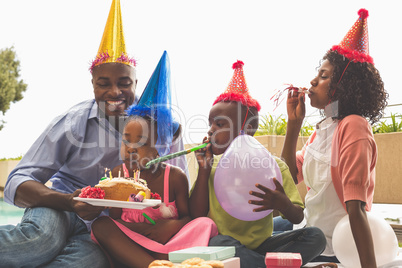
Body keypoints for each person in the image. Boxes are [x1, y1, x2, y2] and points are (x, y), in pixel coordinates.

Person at [0, 1, 187, 267]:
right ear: (92, 85)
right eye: (104, 84)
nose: (114, 92)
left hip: (103, 229)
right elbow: (17, 182)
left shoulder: (160, 130)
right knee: (39, 242)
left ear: (136, 83)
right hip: (60, 209)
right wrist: (69, 201)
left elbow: (178, 195)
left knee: (86, 263)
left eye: (124, 83)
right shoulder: (73, 122)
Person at [189, 60, 326, 268]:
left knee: (316, 236)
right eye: (210, 124)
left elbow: (297, 216)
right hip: (226, 246)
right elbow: (196, 215)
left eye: (219, 123)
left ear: (249, 128)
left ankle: (256, 264)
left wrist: (283, 204)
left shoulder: (274, 167)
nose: (210, 130)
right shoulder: (211, 166)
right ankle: (270, 265)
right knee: (214, 241)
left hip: (263, 244)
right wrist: (203, 171)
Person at [280, 9, 388, 267]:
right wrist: (293, 125)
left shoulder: (354, 127)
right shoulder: (323, 127)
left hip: (330, 244)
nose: (312, 81)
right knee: (251, 230)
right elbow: (289, 177)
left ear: (343, 86)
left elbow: (356, 207)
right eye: (317, 75)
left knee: (255, 242)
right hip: (309, 230)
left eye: (323, 77)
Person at [91, 51, 217, 268]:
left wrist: (170, 227)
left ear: (159, 149)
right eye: (126, 141)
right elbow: (116, 219)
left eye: (140, 142)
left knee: (204, 224)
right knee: (101, 225)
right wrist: (139, 230)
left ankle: (158, 263)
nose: (130, 149)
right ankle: (153, 265)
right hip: (134, 244)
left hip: (170, 242)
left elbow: (189, 217)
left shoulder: (175, 177)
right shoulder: (119, 175)